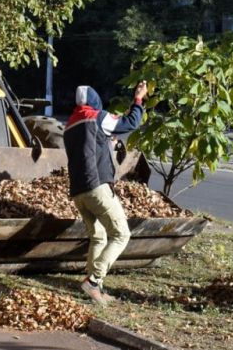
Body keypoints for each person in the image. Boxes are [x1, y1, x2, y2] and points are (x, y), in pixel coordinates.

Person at [65, 81, 148, 306]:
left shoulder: (70, 124)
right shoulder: (98, 117)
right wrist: (138, 99)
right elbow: (130, 122)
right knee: (122, 234)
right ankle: (93, 281)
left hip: (78, 191)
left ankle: (94, 289)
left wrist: (106, 141)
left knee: (99, 236)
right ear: (94, 101)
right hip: (97, 187)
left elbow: (88, 149)